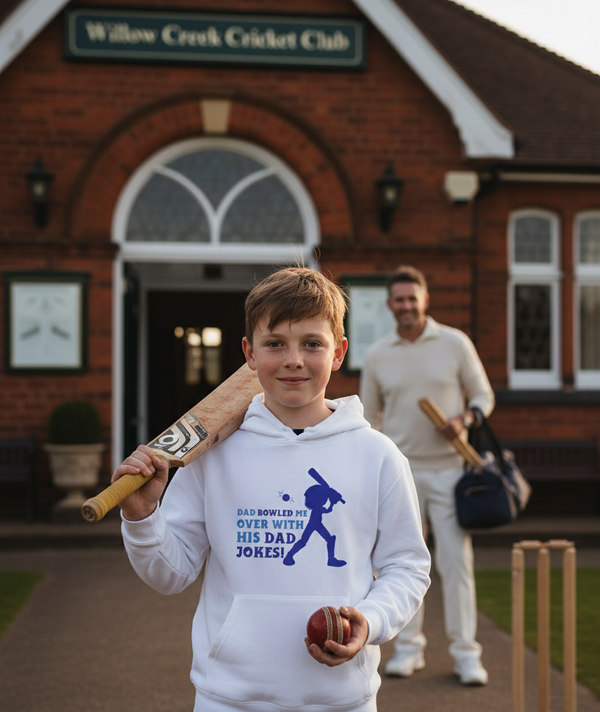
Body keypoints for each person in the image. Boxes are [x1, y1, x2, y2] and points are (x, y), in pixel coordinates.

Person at [113, 266, 431, 712]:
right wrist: (143, 517)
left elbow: (407, 567)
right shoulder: (211, 455)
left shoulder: (377, 456)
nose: (293, 359)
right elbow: (171, 574)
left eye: (312, 344)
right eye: (275, 343)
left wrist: (371, 619)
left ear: (339, 352)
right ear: (249, 352)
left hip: (341, 699)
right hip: (229, 698)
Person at [359, 265, 494, 687]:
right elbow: (367, 418)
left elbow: (484, 395)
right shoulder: (378, 353)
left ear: (425, 300)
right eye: (398, 300)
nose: (406, 306)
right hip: (401, 476)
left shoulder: (455, 343)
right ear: (389, 305)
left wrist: (465, 418)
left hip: (452, 473)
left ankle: (466, 654)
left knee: (456, 563)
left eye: (412, 298)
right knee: (398, 566)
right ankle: (408, 649)